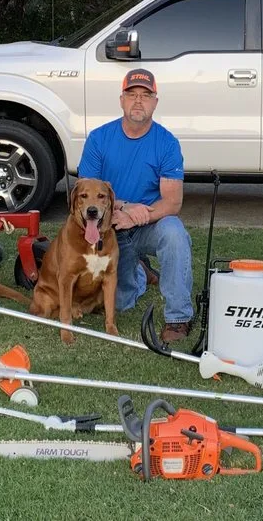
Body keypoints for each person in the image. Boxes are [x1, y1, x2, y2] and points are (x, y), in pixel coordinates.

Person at [77, 68, 194, 342]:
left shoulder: (167, 143)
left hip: (146, 225)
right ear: (121, 100)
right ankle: (141, 274)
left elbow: (173, 201)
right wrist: (123, 208)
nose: (138, 101)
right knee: (118, 303)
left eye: (145, 95)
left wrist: (138, 216)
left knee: (175, 233)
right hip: (108, 228)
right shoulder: (99, 138)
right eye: (132, 95)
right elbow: (85, 192)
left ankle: (178, 318)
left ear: (155, 101)